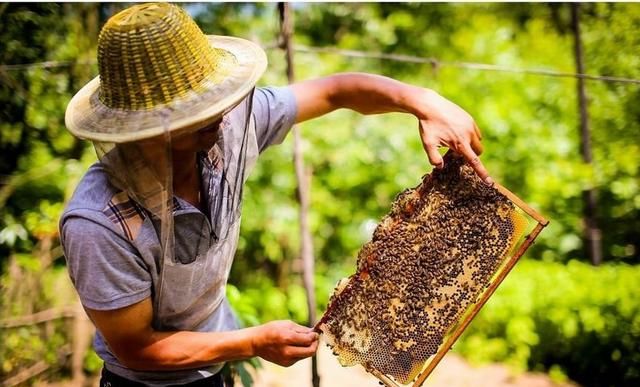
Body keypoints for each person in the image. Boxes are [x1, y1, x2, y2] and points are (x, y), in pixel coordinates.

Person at [60, 3, 491, 387]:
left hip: (215, 368)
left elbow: (335, 91)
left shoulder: (224, 129)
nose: (219, 115)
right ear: (144, 127)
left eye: (213, 100)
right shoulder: (97, 222)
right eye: (193, 112)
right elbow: (137, 348)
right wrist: (252, 341)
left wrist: (423, 100)